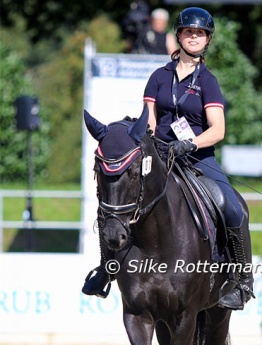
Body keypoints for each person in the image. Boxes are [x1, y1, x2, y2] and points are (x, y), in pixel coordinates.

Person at [82, 7, 253, 310]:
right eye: (188, 31)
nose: (194, 37)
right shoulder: (159, 77)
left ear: (207, 39)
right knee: (116, 200)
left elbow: (218, 130)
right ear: (178, 35)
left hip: (198, 159)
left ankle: (242, 282)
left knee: (234, 208)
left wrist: (190, 144)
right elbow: (149, 120)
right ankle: (105, 271)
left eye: (199, 33)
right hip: (160, 156)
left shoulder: (208, 82)